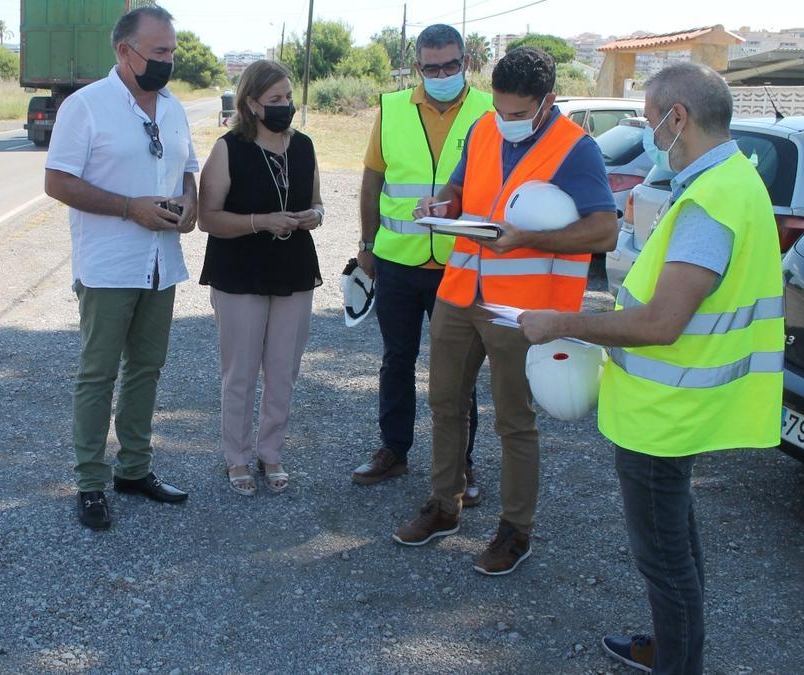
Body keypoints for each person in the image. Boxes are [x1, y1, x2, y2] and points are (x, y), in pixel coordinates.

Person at [519, 63, 784, 674]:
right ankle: (670, 648)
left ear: (678, 118)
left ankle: (676, 662)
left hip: (663, 416)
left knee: (665, 562)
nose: (647, 129)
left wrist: (562, 322)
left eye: (648, 116)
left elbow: (662, 323)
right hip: (676, 409)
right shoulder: (733, 179)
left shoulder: (711, 202)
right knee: (676, 548)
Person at [392, 47, 618, 576]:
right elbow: (459, 187)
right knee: (445, 402)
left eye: (518, 113)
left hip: (522, 310)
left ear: (548, 102)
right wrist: (442, 205)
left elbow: (604, 229)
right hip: (461, 292)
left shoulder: (576, 149)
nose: (507, 121)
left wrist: (527, 239)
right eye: (501, 109)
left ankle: (516, 531)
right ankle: (444, 507)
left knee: (514, 423)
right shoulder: (485, 130)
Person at [44, 5, 198, 530]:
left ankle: (134, 469)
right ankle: (90, 482)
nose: (168, 61)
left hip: (161, 264)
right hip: (109, 266)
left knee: (147, 369)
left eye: (172, 51)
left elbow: (189, 170)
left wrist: (190, 205)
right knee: (97, 374)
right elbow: (58, 182)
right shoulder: (85, 107)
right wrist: (129, 207)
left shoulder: (174, 107)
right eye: (158, 52)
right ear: (123, 51)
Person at [351, 24, 491, 509]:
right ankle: (394, 449)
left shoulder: (489, 112)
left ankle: (462, 462)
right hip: (398, 263)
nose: (442, 74)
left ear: (466, 61)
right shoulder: (391, 109)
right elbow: (373, 181)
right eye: (432, 68)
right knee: (396, 359)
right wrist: (367, 247)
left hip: (462, 265)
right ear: (418, 68)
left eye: (451, 65)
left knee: (460, 372)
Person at [197, 60, 323, 496]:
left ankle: (271, 453)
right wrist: (261, 221)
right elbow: (208, 218)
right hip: (239, 273)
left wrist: (314, 216)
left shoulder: (304, 146)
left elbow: (319, 203)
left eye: (288, 97)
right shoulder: (228, 148)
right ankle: (237, 457)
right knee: (241, 371)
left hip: (294, 270)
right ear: (251, 103)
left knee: (283, 370)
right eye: (275, 100)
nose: (285, 106)